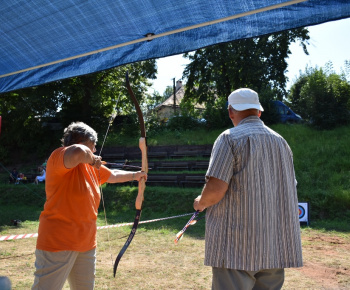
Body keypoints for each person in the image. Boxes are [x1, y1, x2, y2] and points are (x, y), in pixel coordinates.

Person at [193, 88, 303, 290]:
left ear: (230, 112)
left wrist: (201, 202)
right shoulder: (282, 142)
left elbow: (216, 189)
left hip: (237, 249)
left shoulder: (229, 138)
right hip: (274, 247)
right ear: (259, 112)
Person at [32, 121, 147, 290]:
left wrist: (137, 175)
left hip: (86, 243)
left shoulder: (90, 165)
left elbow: (113, 175)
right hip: (57, 242)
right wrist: (93, 160)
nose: (95, 150)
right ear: (84, 141)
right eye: (93, 146)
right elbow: (79, 152)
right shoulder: (59, 157)